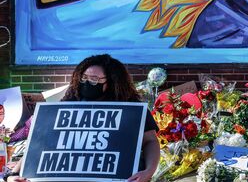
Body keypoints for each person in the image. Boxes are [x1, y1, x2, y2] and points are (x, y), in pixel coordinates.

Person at [5, 54, 160, 182]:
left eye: (94, 79)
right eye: (84, 77)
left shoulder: (131, 108)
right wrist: (13, 175)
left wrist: (148, 171)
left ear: (112, 82)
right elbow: (40, 142)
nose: (87, 83)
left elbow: (150, 141)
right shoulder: (68, 105)